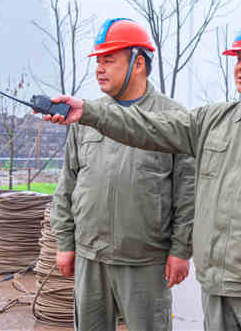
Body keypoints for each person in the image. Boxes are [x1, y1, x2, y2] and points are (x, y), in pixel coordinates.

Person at [44, 17, 241, 330]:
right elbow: (147, 126)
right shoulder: (214, 121)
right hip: (217, 287)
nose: (240, 67)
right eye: (238, 58)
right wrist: (88, 112)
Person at [50, 18, 195, 331]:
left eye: (109, 60)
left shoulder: (173, 118)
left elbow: (188, 193)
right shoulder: (85, 117)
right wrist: (64, 242)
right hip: (91, 257)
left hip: (145, 260)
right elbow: (67, 184)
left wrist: (181, 250)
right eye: (98, 61)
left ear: (138, 63)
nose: (99, 69)